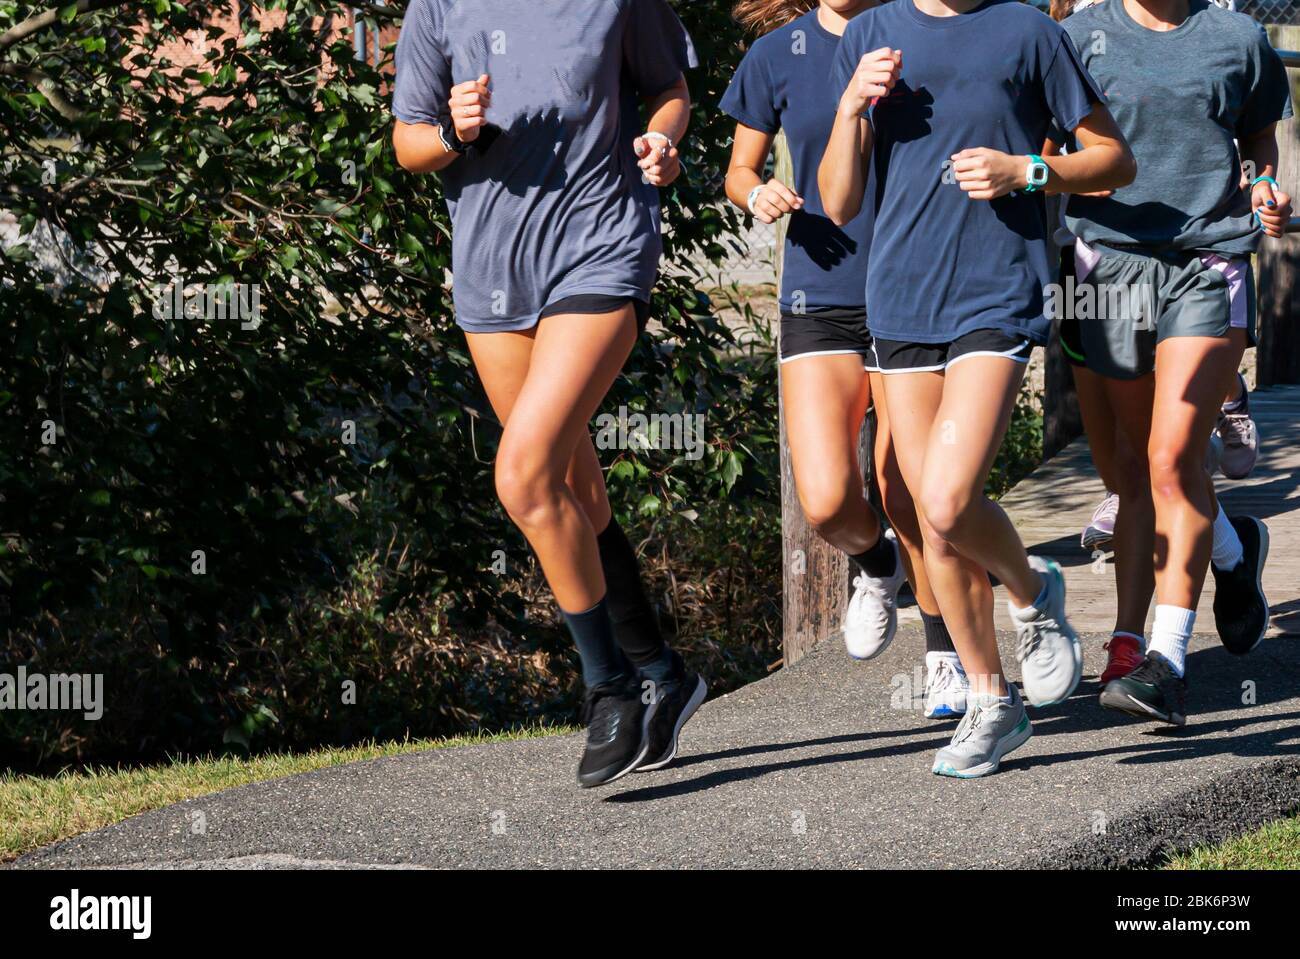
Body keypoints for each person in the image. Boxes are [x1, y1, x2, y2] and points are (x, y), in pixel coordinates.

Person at [391, 0, 707, 787]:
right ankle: (662, 671)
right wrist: (450, 134)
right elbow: (407, 143)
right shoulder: (438, 6)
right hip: (493, 272)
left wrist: (662, 141)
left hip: (600, 248)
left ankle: (609, 690)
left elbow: (670, 88)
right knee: (571, 482)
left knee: (524, 474)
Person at [820, 0, 1136, 776]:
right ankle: (995, 702)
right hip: (899, 300)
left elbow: (1114, 160)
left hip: (995, 295)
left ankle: (1032, 590)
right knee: (932, 524)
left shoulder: (1028, 31)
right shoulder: (868, 34)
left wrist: (1028, 170)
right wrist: (850, 106)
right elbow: (837, 200)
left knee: (948, 499)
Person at [721, 0, 968, 718]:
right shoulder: (776, 55)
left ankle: (945, 651)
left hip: (911, 289)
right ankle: (877, 561)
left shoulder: (923, 34)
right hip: (817, 293)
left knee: (906, 486)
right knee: (828, 498)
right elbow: (739, 167)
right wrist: (757, 190)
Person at [1056, 0, 1292, 725]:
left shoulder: (1238, 39)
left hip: (1207, 261)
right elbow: (1048, 138)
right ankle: (1231, 546)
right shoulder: (1075, 38)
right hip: (1108, 268)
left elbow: (1259, 140)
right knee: (1137, 469)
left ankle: (1165, 660)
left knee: (1168, 458)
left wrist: (1261, 186)